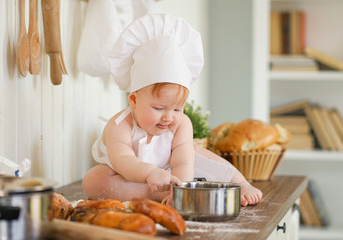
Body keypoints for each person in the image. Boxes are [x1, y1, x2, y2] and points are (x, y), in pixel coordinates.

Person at [82, 13, 262, 207]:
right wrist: (150, 174)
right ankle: (153, 194)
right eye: (159, 108)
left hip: (174, 174)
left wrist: (181, 189)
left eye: (177, 108)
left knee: (198, 153)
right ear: (134, 100)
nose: (168, 117)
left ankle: (240, 183)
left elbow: (183, 162)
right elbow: (123, 160)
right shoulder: (120, 125)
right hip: (131, 175)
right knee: (94, 180)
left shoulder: (182, 123)